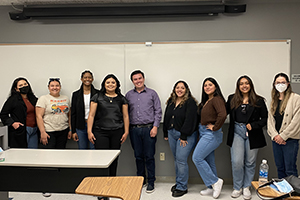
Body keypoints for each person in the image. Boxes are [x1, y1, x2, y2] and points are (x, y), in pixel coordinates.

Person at [226, 75, 267, 199]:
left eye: (247, 83)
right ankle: (237, 187)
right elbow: (222, 112)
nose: (244, 85)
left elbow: (265, 118)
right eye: (241, 83)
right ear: (238, 86)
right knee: (237, 161)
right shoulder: (232, 98)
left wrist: (254, 125)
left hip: (253, 132)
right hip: (237, 131)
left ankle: (246, 187)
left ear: (250, 85)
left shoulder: (259, 100)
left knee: (250, 162)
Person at [125, 70, 162, 193]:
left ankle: (151, 181)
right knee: (138, 156)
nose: (138, 81)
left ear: (144, 79)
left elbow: (158, 111)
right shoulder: (128, 95)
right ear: (132, 81)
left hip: (149, 129)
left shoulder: (152, 94)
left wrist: (155, 127)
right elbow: (125, 113)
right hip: (134, 130)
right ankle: (141, 180)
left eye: (140, 78)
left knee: (149, 156)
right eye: (135, 79)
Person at [87, 74, 129, 177]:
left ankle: (112, 182)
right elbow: (91, 115)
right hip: (100, 132)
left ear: (117, 85)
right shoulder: (97, 97)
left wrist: (126, 131)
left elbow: (125, 116)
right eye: (108, 82)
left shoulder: (122, 99)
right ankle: (101, 183)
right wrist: (89, 131)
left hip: (117, 131)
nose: (110, 84)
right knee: (101, 159)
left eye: (113, 82)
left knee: (114, 159)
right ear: (104, 84)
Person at [192, 77, 227, 199]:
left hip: (211, 134)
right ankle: (211, 186)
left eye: (210, 85)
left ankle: (215, 181)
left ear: (215, 87)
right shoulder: (206, 101)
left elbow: (223, 114)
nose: (207, 87)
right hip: (203, 133)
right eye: (205, 85)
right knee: (209, 161)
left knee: (197, 158)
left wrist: (215, 127)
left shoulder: (217, 99)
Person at [163, 80, 198, 197]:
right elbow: (167, 117)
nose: (180, 90)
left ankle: (182, 187)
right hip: (172, 133)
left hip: (185, 135)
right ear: (174, 89)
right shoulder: (171, 102)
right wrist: (165, 132)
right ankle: (179, 183)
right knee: (177, 159)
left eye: (182, 88)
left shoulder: (190, 102)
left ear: (186, 90)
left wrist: (183, 136)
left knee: (181, 160)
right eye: (177, 87)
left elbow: (190, 120)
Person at [267, 72, 300, 179]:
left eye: (283, 82)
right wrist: (275, 136)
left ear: (288, 84)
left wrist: (283, 136)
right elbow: (270, 121)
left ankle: (293, 192)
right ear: (274, 84)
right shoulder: (274, 100)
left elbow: (296, 121)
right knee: (280, 167)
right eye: (278, 82)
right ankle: (283, 192)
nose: (280, 84)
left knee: (289, 168)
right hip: (276, 140)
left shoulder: (296, 98)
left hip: (290, 140)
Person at [0, 77, 38, 148]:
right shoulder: (13, 100)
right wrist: (12, 123)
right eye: (20, 85)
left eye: (25, 84)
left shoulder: (33, 98)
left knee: (33, 153)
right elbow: (3, 114)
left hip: (34, 130)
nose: (24, 86)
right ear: (16, 89)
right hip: (22, 130)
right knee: (22, 153)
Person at [36, 78, 72, 149]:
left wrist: (70, 129)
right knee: (49, 156)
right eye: (52, 86)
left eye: (57, 86)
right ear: (48, 87)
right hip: (49, 132)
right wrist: (42, 132)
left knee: (61, 154)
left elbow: (69, 115)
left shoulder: (66, 98)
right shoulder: (43, 99)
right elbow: (38, 116)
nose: (55, 88)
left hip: (63, 130)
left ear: (60, 87)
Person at [71, 70, 99, 149]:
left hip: (94, 126)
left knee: (93, 149)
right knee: (82, 150)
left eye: (89, 77)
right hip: (80, 126)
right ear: (81, 79)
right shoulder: (76, 94)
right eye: (85, 77)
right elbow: (73, 113)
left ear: (92, 79)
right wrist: (73, 131)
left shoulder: (98, 94)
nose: (87, 79)